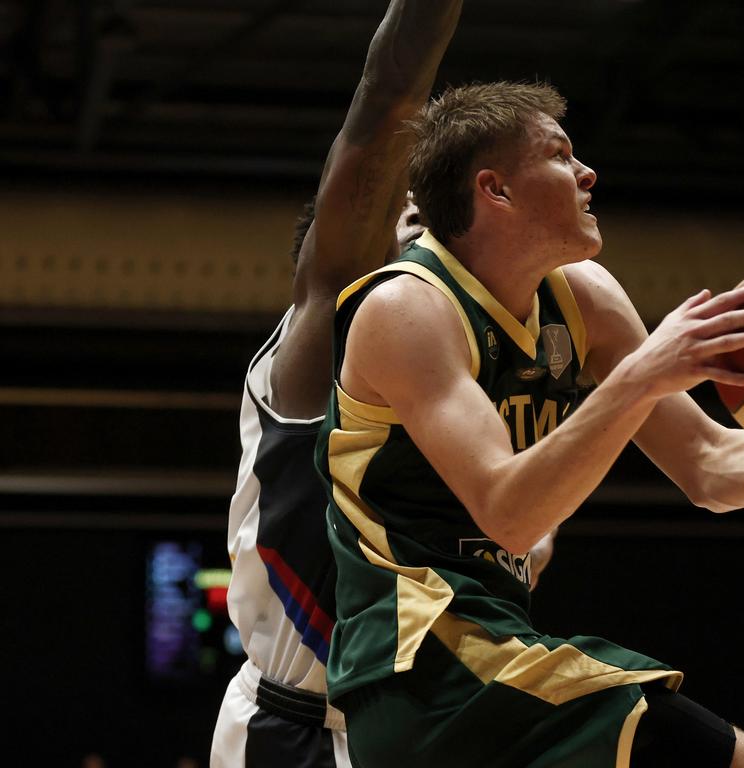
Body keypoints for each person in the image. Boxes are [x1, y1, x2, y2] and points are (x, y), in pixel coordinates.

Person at [315, 81, 744, 768]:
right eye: (560, 155)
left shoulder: (583, 300)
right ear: (496, 191)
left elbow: (710, 468)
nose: (587, 172)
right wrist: (642, 374)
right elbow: (509, 513)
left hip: (492, 657)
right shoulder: (406, 309)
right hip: (427, 672)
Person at [210, 2, 465, 766]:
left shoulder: (471, 378)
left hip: (427, 730)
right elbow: (387, 101)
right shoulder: (329, 330)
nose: (434, 237)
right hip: (296, 732)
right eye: (411, 218)